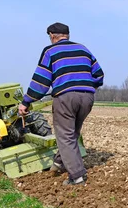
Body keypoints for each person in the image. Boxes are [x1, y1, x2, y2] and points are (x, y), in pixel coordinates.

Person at [18, 22, 104, 185]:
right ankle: (59, 162)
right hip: (87, 98)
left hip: (65, 98)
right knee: (72, 132)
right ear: (67, 35)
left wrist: (26, 101)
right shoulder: (83, 49)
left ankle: (77, 176)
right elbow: (99, 75)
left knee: (65, 136)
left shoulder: (50, 51)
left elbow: (41, 81)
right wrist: (85, 87)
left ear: (51, 35)